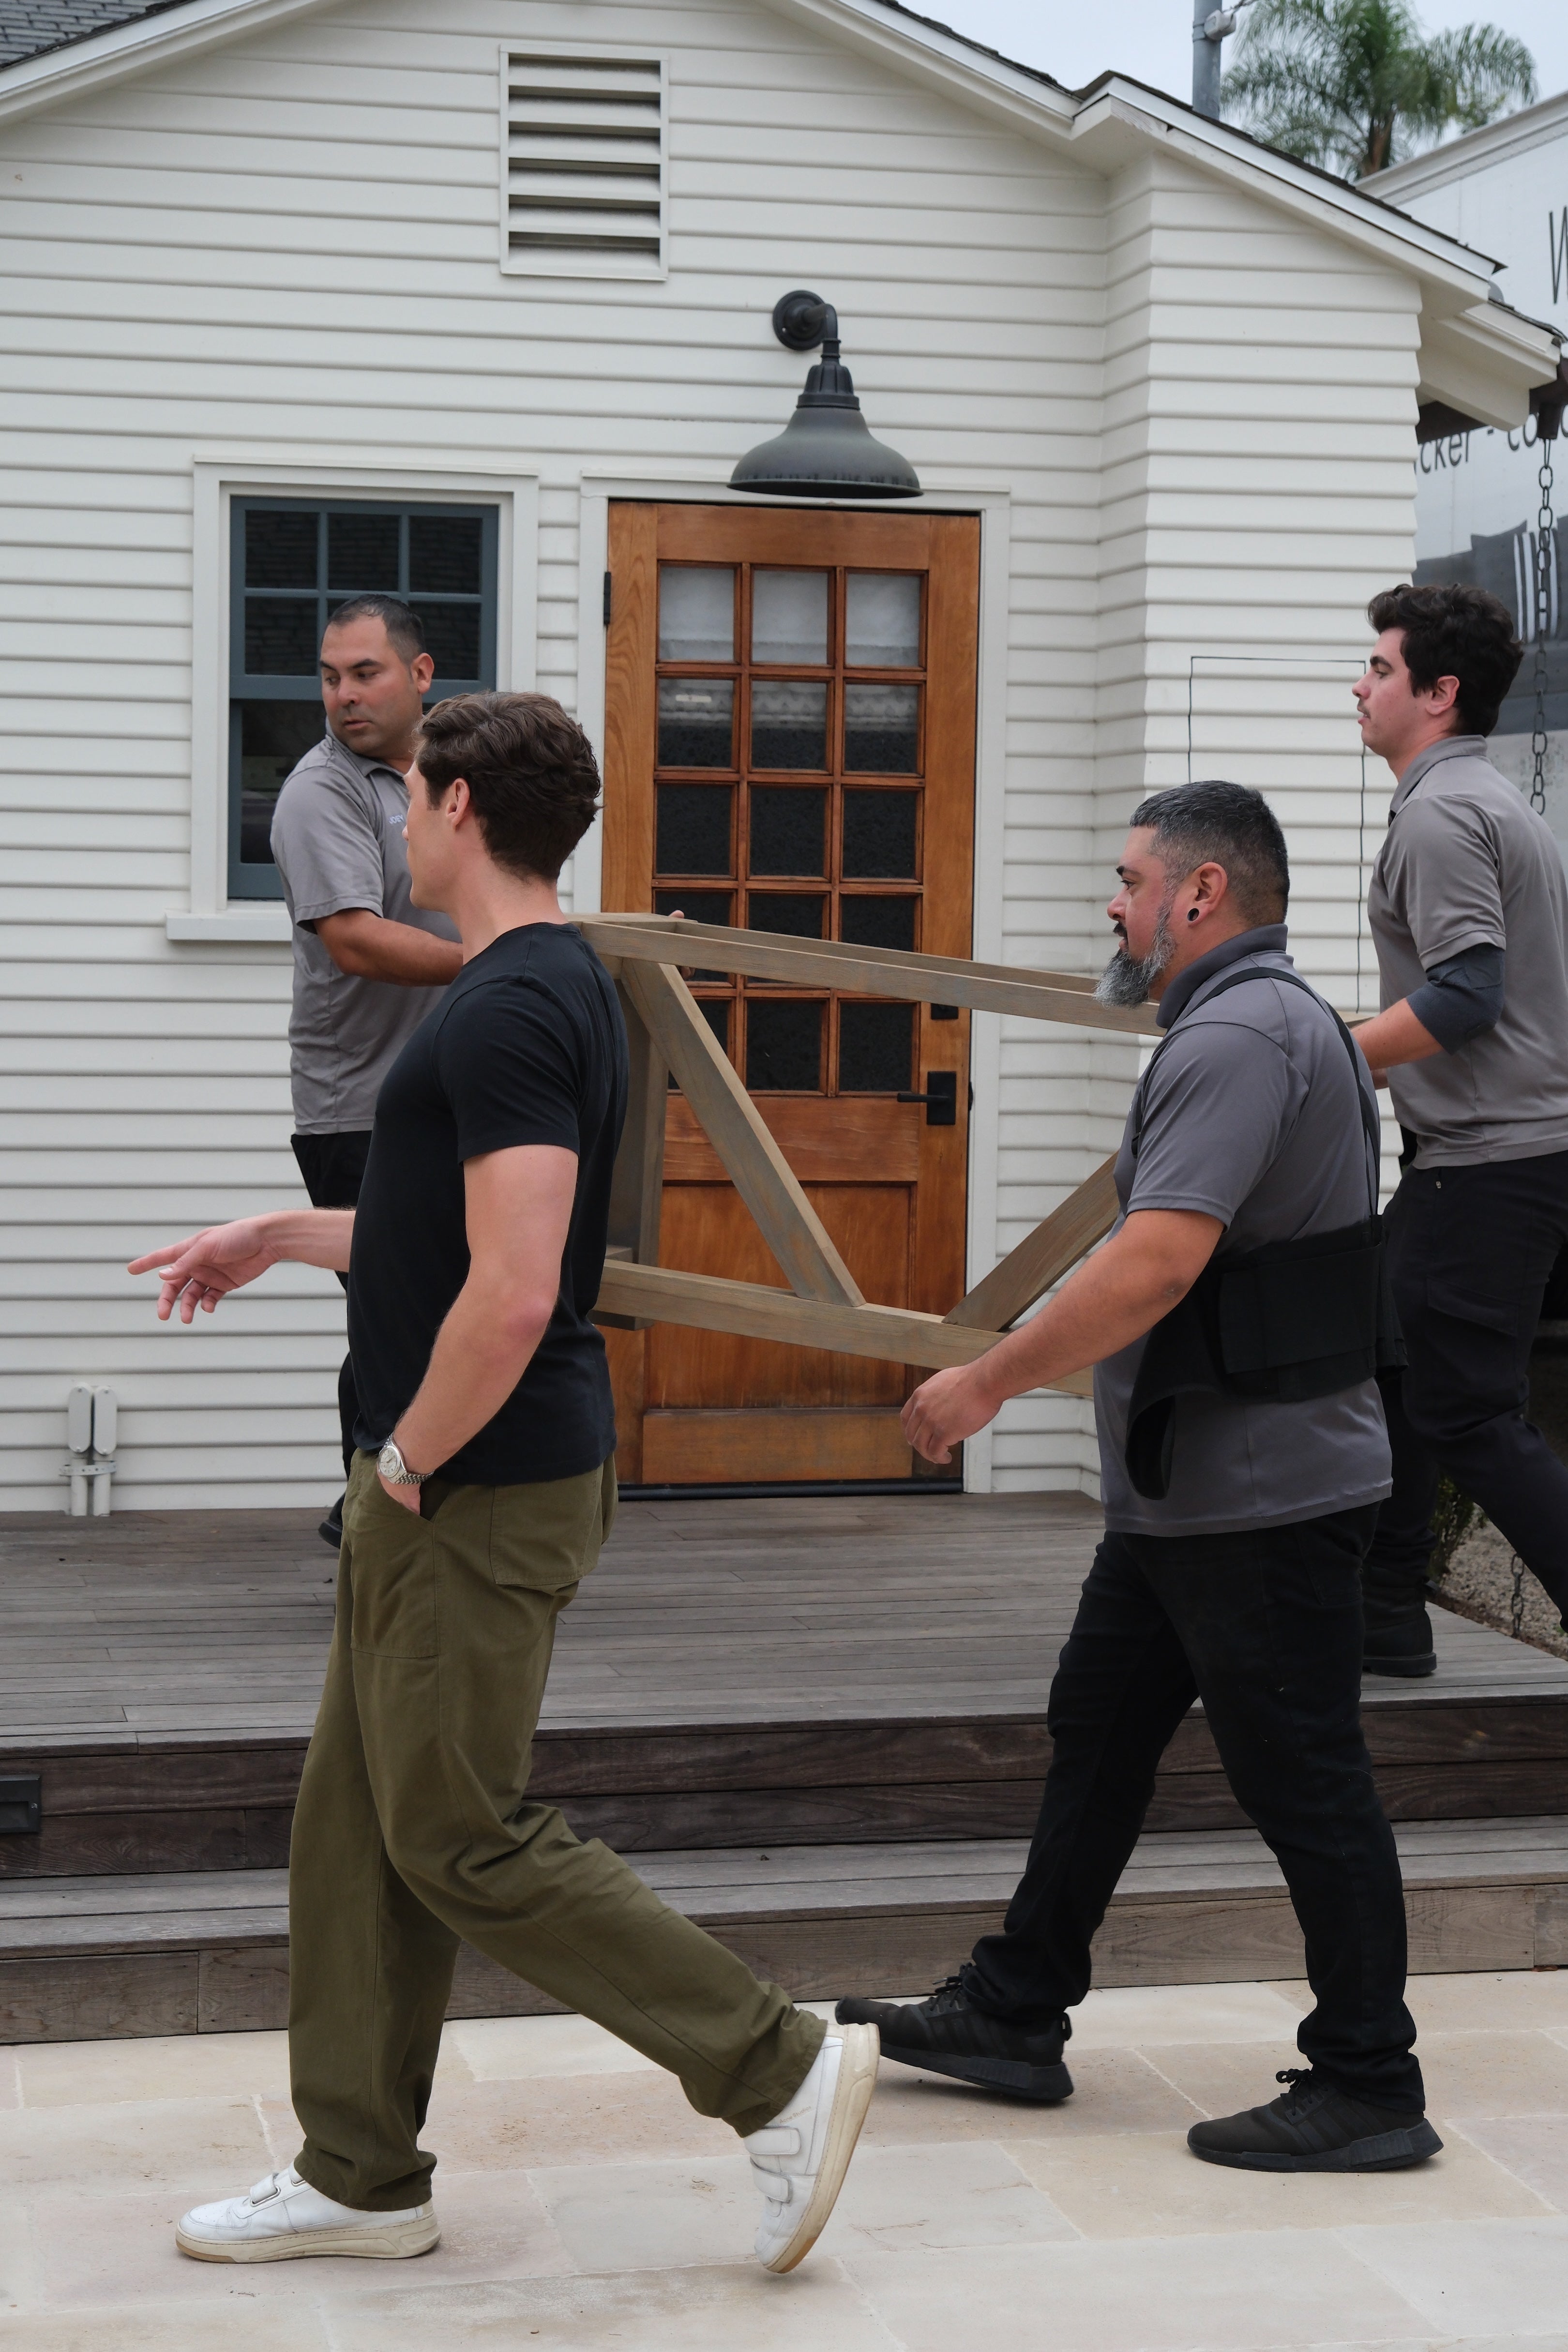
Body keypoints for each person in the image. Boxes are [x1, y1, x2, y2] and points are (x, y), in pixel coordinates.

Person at [130, 691, 877, 2272]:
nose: (396, 818)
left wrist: (407, 1458)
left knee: (458, 1831)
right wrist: (275, 1236)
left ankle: (777, 2065)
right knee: (358, 1825)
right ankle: (356, 2171)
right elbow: (443, 1235)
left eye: (409, 793)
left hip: (470, 1483)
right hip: (438, 1477)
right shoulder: (513, 989)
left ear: (461, 807)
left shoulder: (520, 1002)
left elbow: (521, 1284)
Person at [837, 781, 1443, 2174]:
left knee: (1306, 1780)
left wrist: (985, 1378)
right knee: (1098, 1728)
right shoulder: (1262, 1025)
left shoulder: (1238, 1035)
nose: (1112, 903)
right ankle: (1014, 2005)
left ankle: (1372, 2079)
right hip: (1194, 1493)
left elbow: (1161, 1257)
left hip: (1265, 1498)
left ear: (1201, 893)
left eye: (1127, 878)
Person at [1350, 582, 1568, 1675]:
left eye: (1382, 669)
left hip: (1488, 1162)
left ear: (1438, 696)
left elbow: (1467, 996)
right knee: (1398, 1369)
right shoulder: (1484, 799)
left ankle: (1385, 1605)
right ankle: (1386, 1609)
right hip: (1496, 1158)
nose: (1362, 684)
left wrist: (1323, 1057)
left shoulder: (1441, 814)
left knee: (1472, 1412)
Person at [270, 595, 464, 1549]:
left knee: (436, 1312)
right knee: (399, 1316)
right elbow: (353, 940)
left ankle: (381, 1508)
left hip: (456, 1094)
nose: (342, 696)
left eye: (365, 674)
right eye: (329, 676)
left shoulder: (456, 772)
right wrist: (511, 960)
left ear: (420, 675)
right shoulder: (322, 792)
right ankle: (376, 1516)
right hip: (361, 1112)